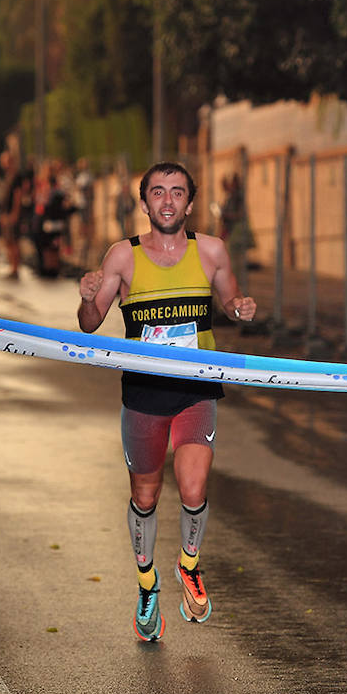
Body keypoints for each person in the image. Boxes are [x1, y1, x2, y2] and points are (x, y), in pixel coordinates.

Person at [77, 162, 255, 642]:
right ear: (144, 204)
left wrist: (241, 307)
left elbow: (232, 299)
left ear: (190, 204)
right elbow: (89, 325)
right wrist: (90, 298)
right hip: (144, 393)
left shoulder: (212, 251)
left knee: (194, 489)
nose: (168, 201)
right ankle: (147, 585)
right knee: (146, 496)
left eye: (177, 192)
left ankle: (190, 566)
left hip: (196, 389)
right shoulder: (123, 257)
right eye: (158, 192)